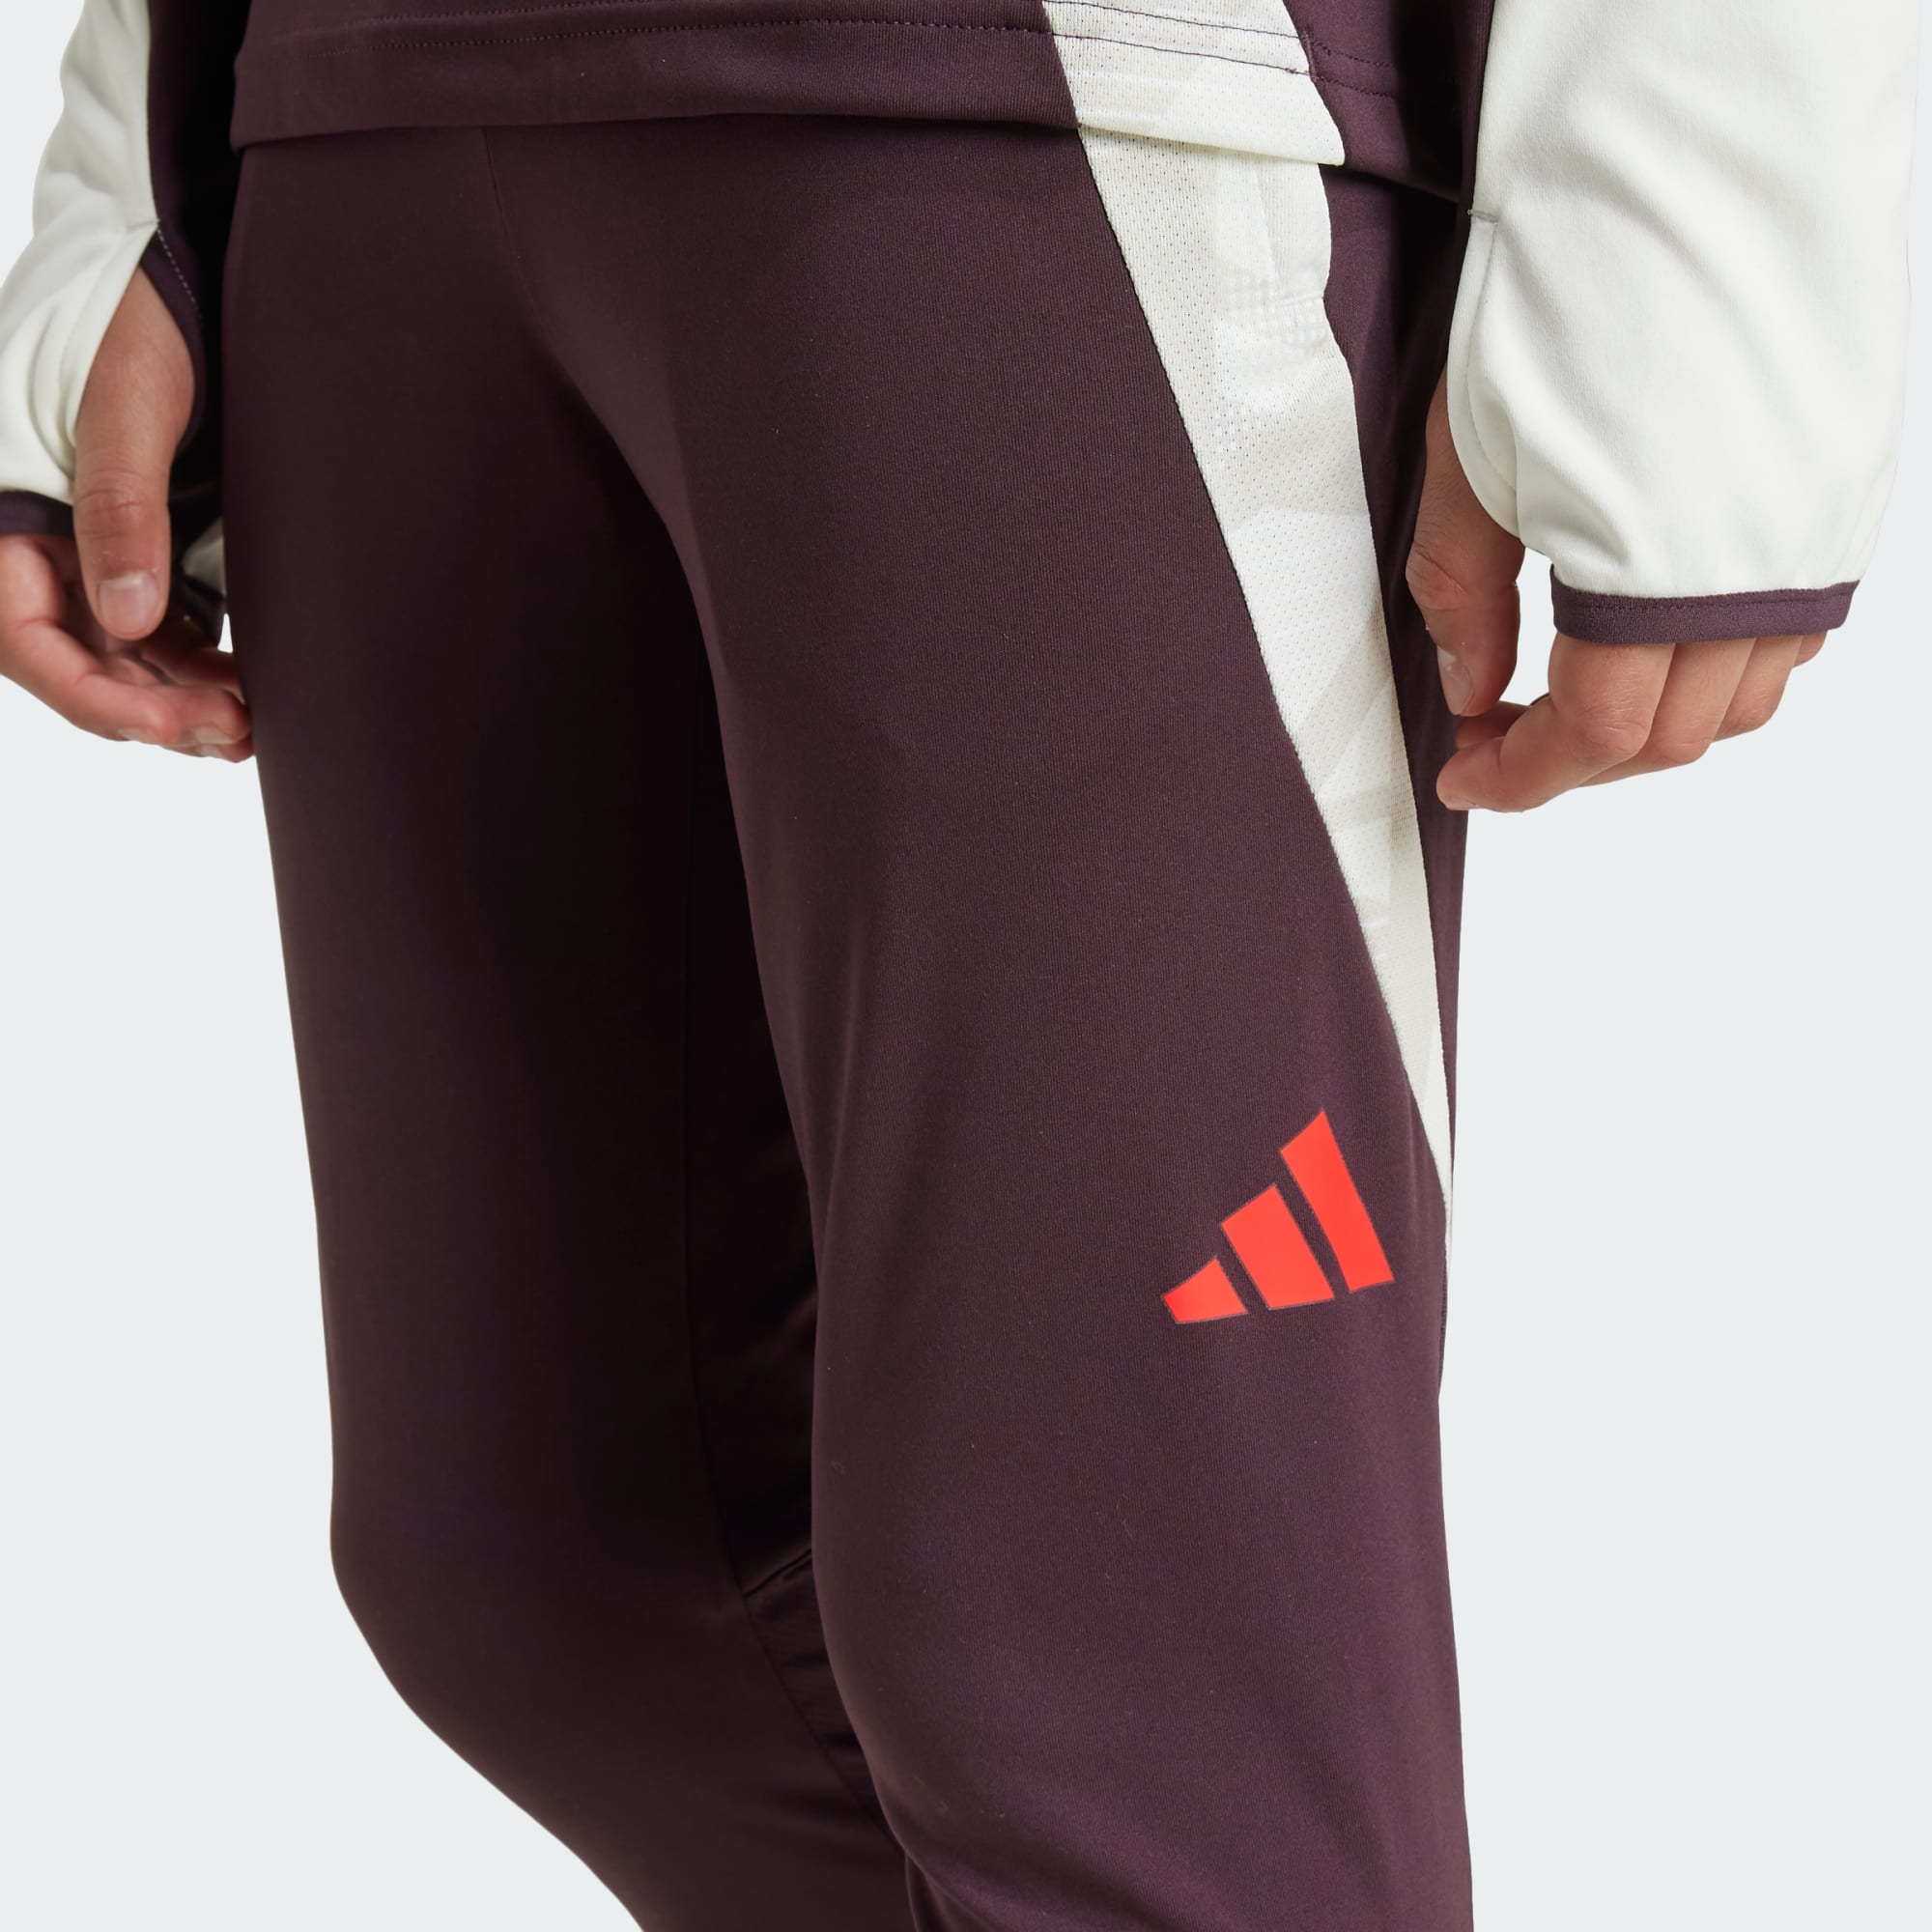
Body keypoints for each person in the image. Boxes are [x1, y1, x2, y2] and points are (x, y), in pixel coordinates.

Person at [0, 2, 1915, 1926]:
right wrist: (133, 175)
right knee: (567, 1577)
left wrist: (1701, 221)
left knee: (1131, 1699)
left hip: (1048, 105)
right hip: (358, 122)